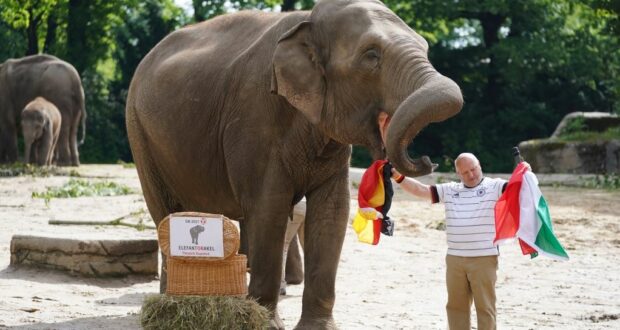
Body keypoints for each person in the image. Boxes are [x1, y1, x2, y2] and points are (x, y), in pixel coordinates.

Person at [392, 153, 528, 330]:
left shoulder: (495, 186)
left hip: (484, 258)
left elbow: (519, 189)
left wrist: (526, 172)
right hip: (455, 258)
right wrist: (397, 176)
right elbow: (421, 190)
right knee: (456, 307)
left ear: (479, 165)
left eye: (473, 169)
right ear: (458, 173)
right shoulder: (450, 189)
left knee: (485, 307)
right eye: (465, 172)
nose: (471, 175)